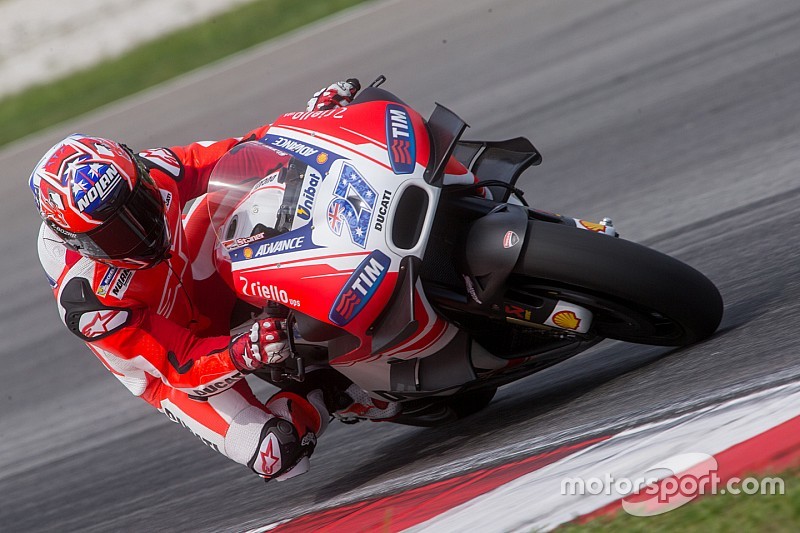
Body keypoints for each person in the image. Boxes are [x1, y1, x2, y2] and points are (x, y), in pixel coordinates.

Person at [30, 79, 400, 482]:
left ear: (137, 171)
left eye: (140, 203)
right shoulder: (88, 302)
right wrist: (245, 350)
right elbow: (181, 363)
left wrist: (311, 122)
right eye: (116, 234)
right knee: (276, 454)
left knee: (255, 186)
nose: (142, 230)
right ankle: (332, 393)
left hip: (196, 270)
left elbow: (245, 153)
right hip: (174, 364)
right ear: (78, 242)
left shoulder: (156, 170)